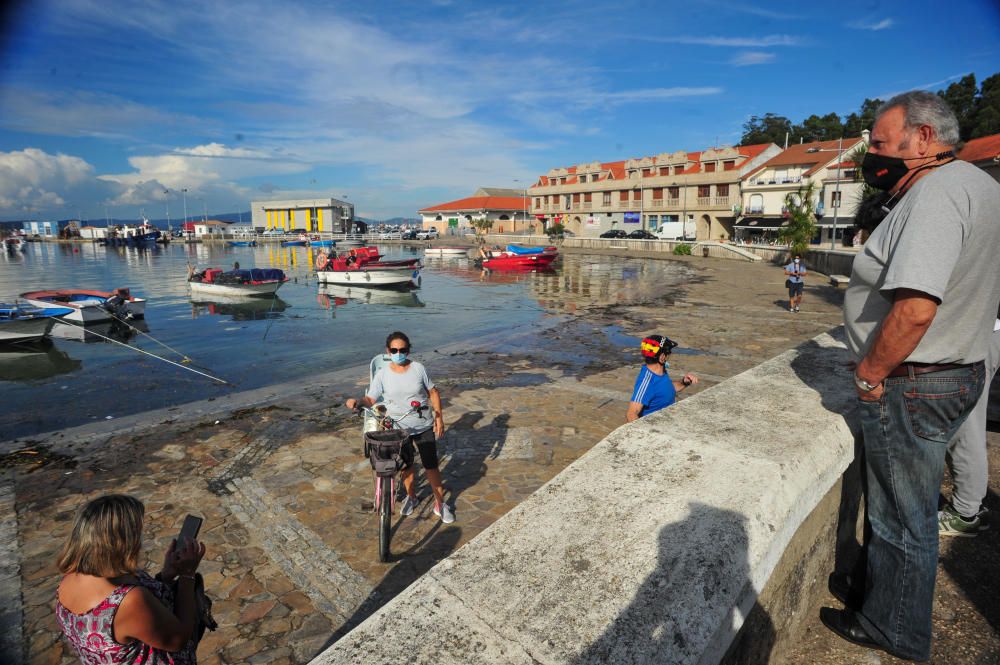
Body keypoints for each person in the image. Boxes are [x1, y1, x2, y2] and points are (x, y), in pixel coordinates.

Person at [824, 91, 1000, 661]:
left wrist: (873, 372)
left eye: (879, 143)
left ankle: (892, 628)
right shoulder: (982, 187)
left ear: (922, 139)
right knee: (909, 505)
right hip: (960, 366)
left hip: (917, 379)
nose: (871, 156)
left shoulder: (934, 196)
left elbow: (917, 306)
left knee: (903, 517)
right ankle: (881, 595)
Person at [55, 494, 208, 664]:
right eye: (137, 533)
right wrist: (187, 574)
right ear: (120, 542)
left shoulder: (69, 579)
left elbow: (142, 616)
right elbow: (178, 640)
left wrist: (167, 574)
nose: (140, 540)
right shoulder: (128, 601)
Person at [346, 331, 453, 524]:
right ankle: (411, 497)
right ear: (388, 351)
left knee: (431, 466)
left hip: (422, 425)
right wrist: (357, 402)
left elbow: (433, 392)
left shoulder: (418, 368)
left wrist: (439, 418)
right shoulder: (382, 374)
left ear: (408, 350)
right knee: (407, 465)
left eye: (402, 349)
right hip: (397, 428)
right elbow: (370, 398)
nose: (398, 353)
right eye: (394, 350)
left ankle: (440, 504)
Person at [939, 314, 1000, 536]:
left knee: (965, 427)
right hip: (979, 331)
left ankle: (965, 513)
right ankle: (971, 507)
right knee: (968, 423)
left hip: (976, 333)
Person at [626, 334, 698, 422]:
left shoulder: (660, 372)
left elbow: (665, 389)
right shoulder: (647, 381)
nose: (669, 356)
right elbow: (631, 413)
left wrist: (683, 382)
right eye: (668, 353)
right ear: (662, 357)